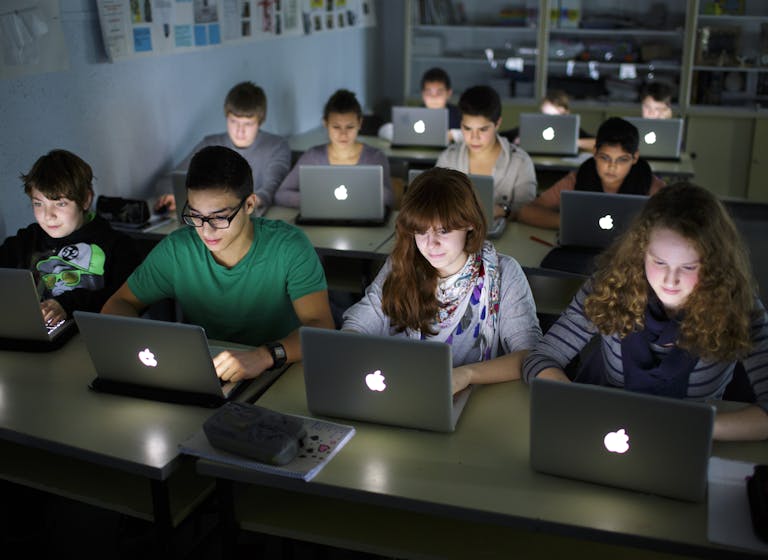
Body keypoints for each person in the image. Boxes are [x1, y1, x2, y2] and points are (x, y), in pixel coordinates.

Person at [522, 183, 768, 442]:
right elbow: (540, 358)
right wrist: (578, 402)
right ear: (640, 253)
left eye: (688, 267)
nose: (670, 280)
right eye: (659, 262)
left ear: (714, 265)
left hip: (686, 442)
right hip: (607, 431)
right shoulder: (609, 286)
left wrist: (698, 427)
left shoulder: (740, 308)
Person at [103, 146, 335, 382]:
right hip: (205, 373)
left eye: (220, 217)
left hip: (280, 371)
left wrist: (266, 355)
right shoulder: (177, 249)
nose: (205, 230)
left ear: (249, 205)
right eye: (195, 215)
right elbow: (118, 304)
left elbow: (321, 327)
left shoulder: (289, 246)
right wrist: (149, 346)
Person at [342, 167, 541, 395]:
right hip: (404, 391)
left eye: (443, 231)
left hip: (473, 397)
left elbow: (530, 354)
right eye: (421, 231)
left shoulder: (505, 272)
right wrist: (351, 348)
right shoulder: (402, 263)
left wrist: (466, 375)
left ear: (470, 224)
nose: (430, 244)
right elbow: (357, 325)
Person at [0, 149, 141, 325]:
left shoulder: (119, 246)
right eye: (38, 203)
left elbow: (121, 301)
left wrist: (66, 304)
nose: (48, 215)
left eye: (60, 203)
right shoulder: (25, 241)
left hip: (92, 338)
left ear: (85, 200)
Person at [155, 81, 290, 212]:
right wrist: (172, 194)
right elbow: (169, 181)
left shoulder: (277, 147)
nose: (239, 131)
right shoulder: (210, 144)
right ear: (226, 117)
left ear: (260, 122)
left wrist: (245, 206)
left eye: (247, 124)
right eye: (233, 121)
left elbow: (269, 190)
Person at [517, 117, 666, 229]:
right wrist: (572, 223)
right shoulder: (579, 177)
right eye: (605, 158)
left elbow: (674, 222)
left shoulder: (650, 184)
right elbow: (527, 211)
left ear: (635, 157)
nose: (612, 166)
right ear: (594, 152)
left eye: (622, 160)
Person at [275, 89, 393, 208]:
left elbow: (389, 199)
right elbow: (281, 194)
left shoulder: (375, 158)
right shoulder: (312, 157)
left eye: (350, 127)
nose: (343, 134)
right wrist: (313, 200)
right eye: (336, 127)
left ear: (360, 123)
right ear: (325, 124)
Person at [436, 85, 537, 222]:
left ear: (497, 124)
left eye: (483, 129)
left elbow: (528, 213)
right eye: (467, 128)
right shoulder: (448, 158)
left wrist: (503, 211)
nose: (474, 137)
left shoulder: (520, 162)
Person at [378, 67, 462, 143]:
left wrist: (452, 135)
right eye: (429, 93)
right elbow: (383, 130)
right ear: (423, 94)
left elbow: (472, 133)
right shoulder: (414, 114)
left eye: (439, 93)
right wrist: (405, 134)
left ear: (448, 93)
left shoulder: (459, 114)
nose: (434, 97)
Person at [501, 90, 595, 151]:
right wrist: (516, 142)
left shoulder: (573, 131)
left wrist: (574, 142)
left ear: (566, 114)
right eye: (546, 116)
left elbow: (598, 143)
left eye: (557, 117)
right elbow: (501, 137)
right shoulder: (530, 127)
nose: (551, 121)